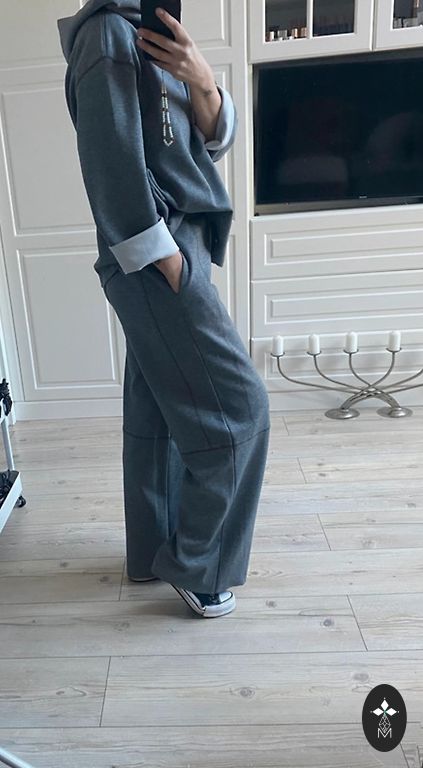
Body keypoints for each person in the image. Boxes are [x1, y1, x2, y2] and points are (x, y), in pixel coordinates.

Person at [57, 0, 270, 618]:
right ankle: (201, 569)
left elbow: (205, 147)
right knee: (240, 411)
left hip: (178, 247)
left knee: (158, 409)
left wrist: (201, 80)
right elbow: (111, 164)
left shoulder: (148, 34)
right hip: (156, 254)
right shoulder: (106, 35)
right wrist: (168, 262)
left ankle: (152, 554)